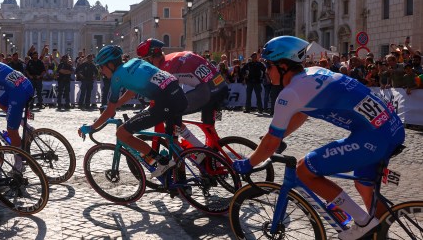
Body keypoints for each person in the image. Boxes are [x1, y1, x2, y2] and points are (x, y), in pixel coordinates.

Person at [232, 36, 405, 240]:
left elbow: (270, 142)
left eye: (268, 65)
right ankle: (381, 233)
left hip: (374, 137)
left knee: (305, 170)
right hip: (391, 127)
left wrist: (249, 163)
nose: (266, 71)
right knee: (364, 185)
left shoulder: (290, 94)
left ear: (283, 66)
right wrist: (280, 135)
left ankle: (363, 221)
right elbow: (303, 113)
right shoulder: (314, 73)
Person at [77, 45, 187, 178]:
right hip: (179, 96)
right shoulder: (135, 62)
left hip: (165, 103)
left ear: (111, 64)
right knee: (173, 142)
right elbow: (132, 91)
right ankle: (182, 183)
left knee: (122, 133)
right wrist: (117, 105)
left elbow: (110, 110)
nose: (101, 70)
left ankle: (162, 162)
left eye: (102, 66)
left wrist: (91, 127)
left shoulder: (117, 77)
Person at [136, 38, 229, 125]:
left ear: (152, 58)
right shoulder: (170, 58)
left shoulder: (166, 68)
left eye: (145, 61)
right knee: (207, 125)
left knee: (171, 111)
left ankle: (173, 140)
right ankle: (212, 140)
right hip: (219, 87)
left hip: (209, 91)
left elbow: (164, 93)